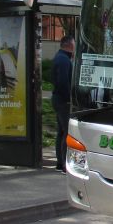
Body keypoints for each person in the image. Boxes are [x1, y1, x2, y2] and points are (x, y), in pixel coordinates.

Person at [51, 34, 75, 172]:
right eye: (74, 43)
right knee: (66, 132)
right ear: (70, 45)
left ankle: (60, 163)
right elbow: (63, 82)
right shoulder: (64, 60)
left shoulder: (59, 57)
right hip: (63, 101)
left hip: (58, 99)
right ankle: (65, 164)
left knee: (61, 131)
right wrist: (68, 99)